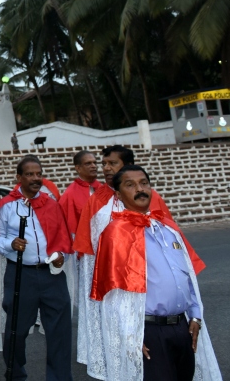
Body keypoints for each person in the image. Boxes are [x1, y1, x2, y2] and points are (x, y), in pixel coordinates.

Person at [91, 165, 220, 380]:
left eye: (144, 183)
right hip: (149, 332)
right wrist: (130, 335)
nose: (140, 189)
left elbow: (187, 278)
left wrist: (196, 317)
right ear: (118, 194)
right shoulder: (116, 234)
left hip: (183, 327)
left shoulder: (167, 227)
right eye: (130, 185)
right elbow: (112, 293)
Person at [72, 145, 174, 379]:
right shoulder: (96, 199)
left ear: (127, 166)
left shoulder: (149, 197)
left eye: (112, 163)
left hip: (150, 285)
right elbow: (89, 254)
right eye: (104, 163)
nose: (105, 168)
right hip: (112, 286)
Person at [0, 156, 73, 381]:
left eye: (39, 174)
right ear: (19, 177)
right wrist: (10, 244)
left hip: (52, 276)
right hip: (20, 274)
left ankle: (60, 378)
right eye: (30, 174)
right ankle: (15, 375)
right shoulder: (6, 205)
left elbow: (63, 237)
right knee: (17, 330)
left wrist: (61, 256)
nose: (36, 179)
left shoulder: (52, 204)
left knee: (59, 332)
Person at [57, 150, 101, 312]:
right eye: (88, 163)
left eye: (95, 162)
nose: (94, 166)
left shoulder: (103, 189)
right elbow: (66, 227)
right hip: (84, 250)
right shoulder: (70, 194)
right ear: (78, 168)